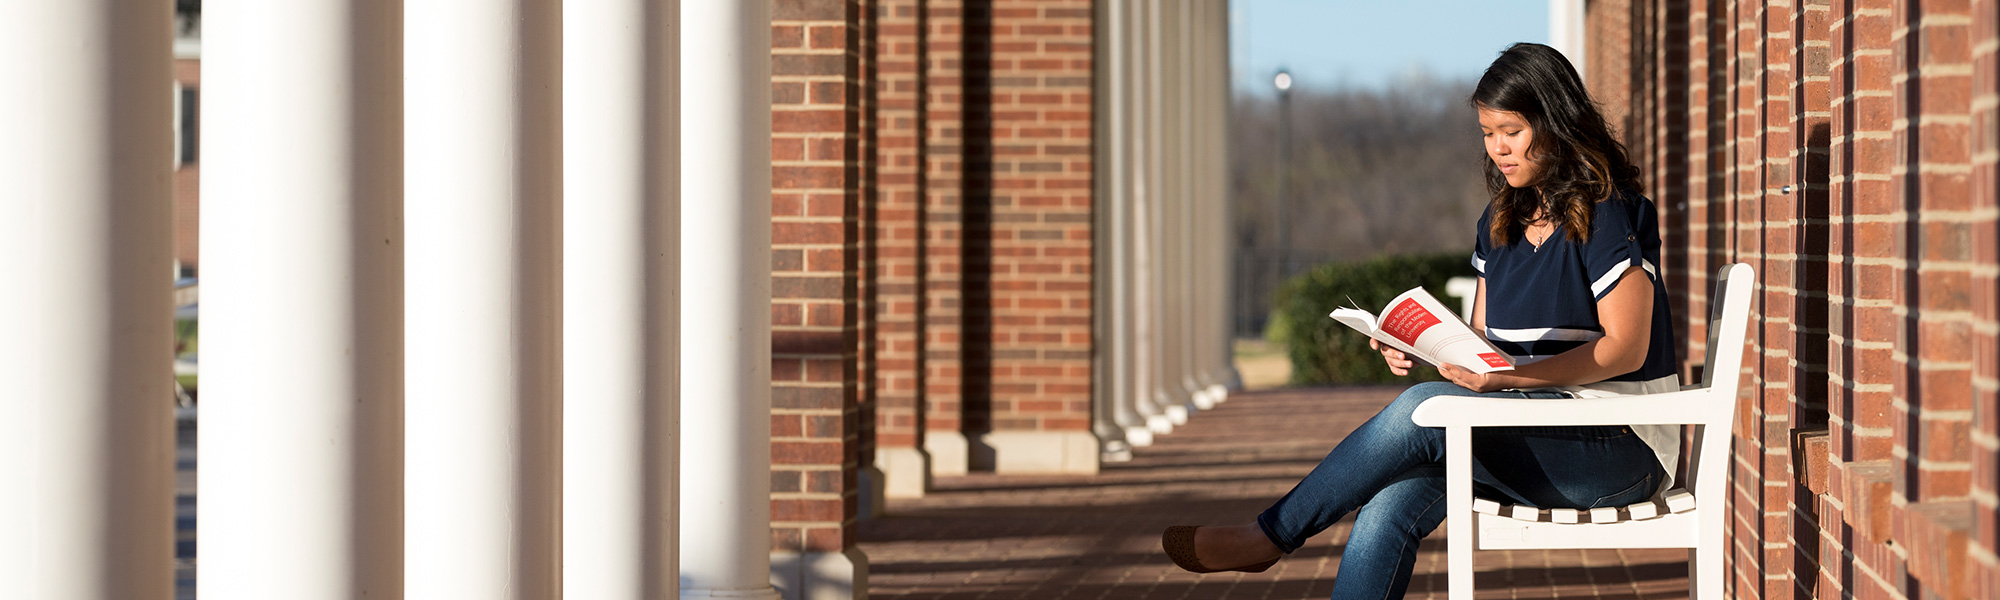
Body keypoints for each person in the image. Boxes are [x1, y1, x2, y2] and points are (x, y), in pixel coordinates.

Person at [1161, 42, 1683, 599]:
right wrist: (1421, 346)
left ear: (1554, 122)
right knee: (1391, 500)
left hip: (1618, 448)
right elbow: (1485, 346)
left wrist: (1505, 382)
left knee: (1422, 409)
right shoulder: (1501, 220)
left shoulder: (1608, 210)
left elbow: (1625, 349)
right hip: (1531, 428)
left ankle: (1270, 536)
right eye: (1487, 132)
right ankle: (1270, 538)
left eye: (1512, 130)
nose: (1499, 148)